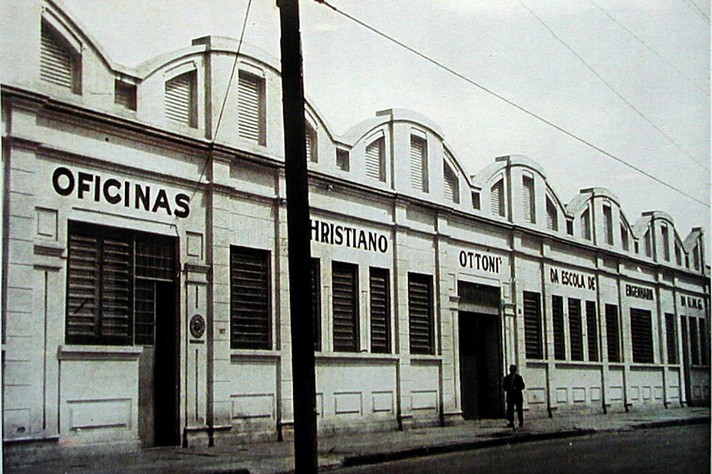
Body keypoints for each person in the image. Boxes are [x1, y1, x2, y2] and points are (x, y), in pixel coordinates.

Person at [503, 364, 525, 430]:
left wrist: (516, 388)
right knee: (510, 410)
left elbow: (522, 386)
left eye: (513, 370)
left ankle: (521, 422)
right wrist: (509, 388)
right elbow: (504, 387)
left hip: (517, 396)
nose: (512, 371)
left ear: (515, 370)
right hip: (510, 396)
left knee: (519, 410)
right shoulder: (506, 378)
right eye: (511, 369)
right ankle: (511, 422)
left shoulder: (519, 378)